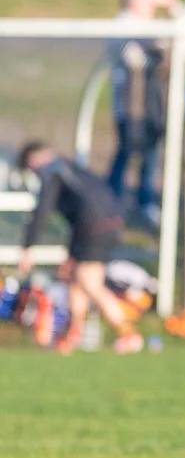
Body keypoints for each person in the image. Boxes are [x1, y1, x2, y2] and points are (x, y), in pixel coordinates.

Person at [15, 141, 142, 354]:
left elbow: (42, 210)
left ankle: (128, 333)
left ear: (33, 160)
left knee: (89, 282)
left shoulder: (51, 171)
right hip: (106, 222)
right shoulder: (68, 167)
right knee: (75, 279)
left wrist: (28, 247)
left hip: (92, 226)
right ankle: (72, 335)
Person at [106, 0, 177, 225]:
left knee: (150, 154)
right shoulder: (122, 24)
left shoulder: (152, 26)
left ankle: (144, 202)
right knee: (126, 151)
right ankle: (110, 203)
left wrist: (173, 7)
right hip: (130, 105)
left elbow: (176, 43)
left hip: (153, 105)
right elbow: (136, 61)